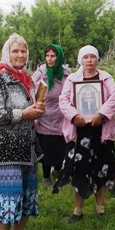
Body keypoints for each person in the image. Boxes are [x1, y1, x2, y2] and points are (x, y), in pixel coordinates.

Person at [0, 33, 44, 230]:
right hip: (6, 147)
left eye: (23, 51)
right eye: (15, 51)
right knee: (9, 195)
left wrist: (36, 111)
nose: (20, 55)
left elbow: (29, 110)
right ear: (7, 54)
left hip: (27, 146)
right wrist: (23, 113)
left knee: (28, 193)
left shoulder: (25, 79)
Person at [57, 45, 115, 221]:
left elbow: (114, 97)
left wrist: (101, 115)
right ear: (80, 60)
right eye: (86, 57)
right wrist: (74, 115)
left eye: (93, 57)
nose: (89, 60)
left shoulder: (105, 78)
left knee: (101, 167)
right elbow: (63, 101)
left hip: (100, 132)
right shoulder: (72, 80)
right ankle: (78, 209)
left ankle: (100, 207)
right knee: (80, 168)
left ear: (97, 59)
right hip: (79, 132)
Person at [30, 43, 70, 180]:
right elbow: (32, 94)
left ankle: (57, 170)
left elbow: (71, 93)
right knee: (46, 146)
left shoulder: (65, 75)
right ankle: (46, 176)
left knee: (60, 146)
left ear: (59, 58)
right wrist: (34, 116)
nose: (50, 59)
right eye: (47, 56)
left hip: (60, 116)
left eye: (53, 56)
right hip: (45, 116)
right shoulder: (40, 74)